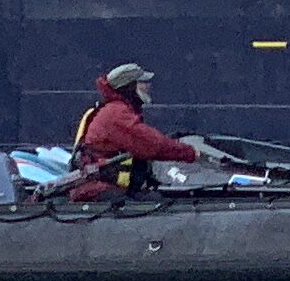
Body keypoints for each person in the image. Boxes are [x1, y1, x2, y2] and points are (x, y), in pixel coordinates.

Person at [68, 62, 219, 202]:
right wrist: (191, 153)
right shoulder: (116, 115)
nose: (148, 86)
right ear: (129, 86)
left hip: (112, 187)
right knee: (155, 204)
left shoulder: (117, 111)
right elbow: (153, 145)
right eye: (143, 82)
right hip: (98, 190)